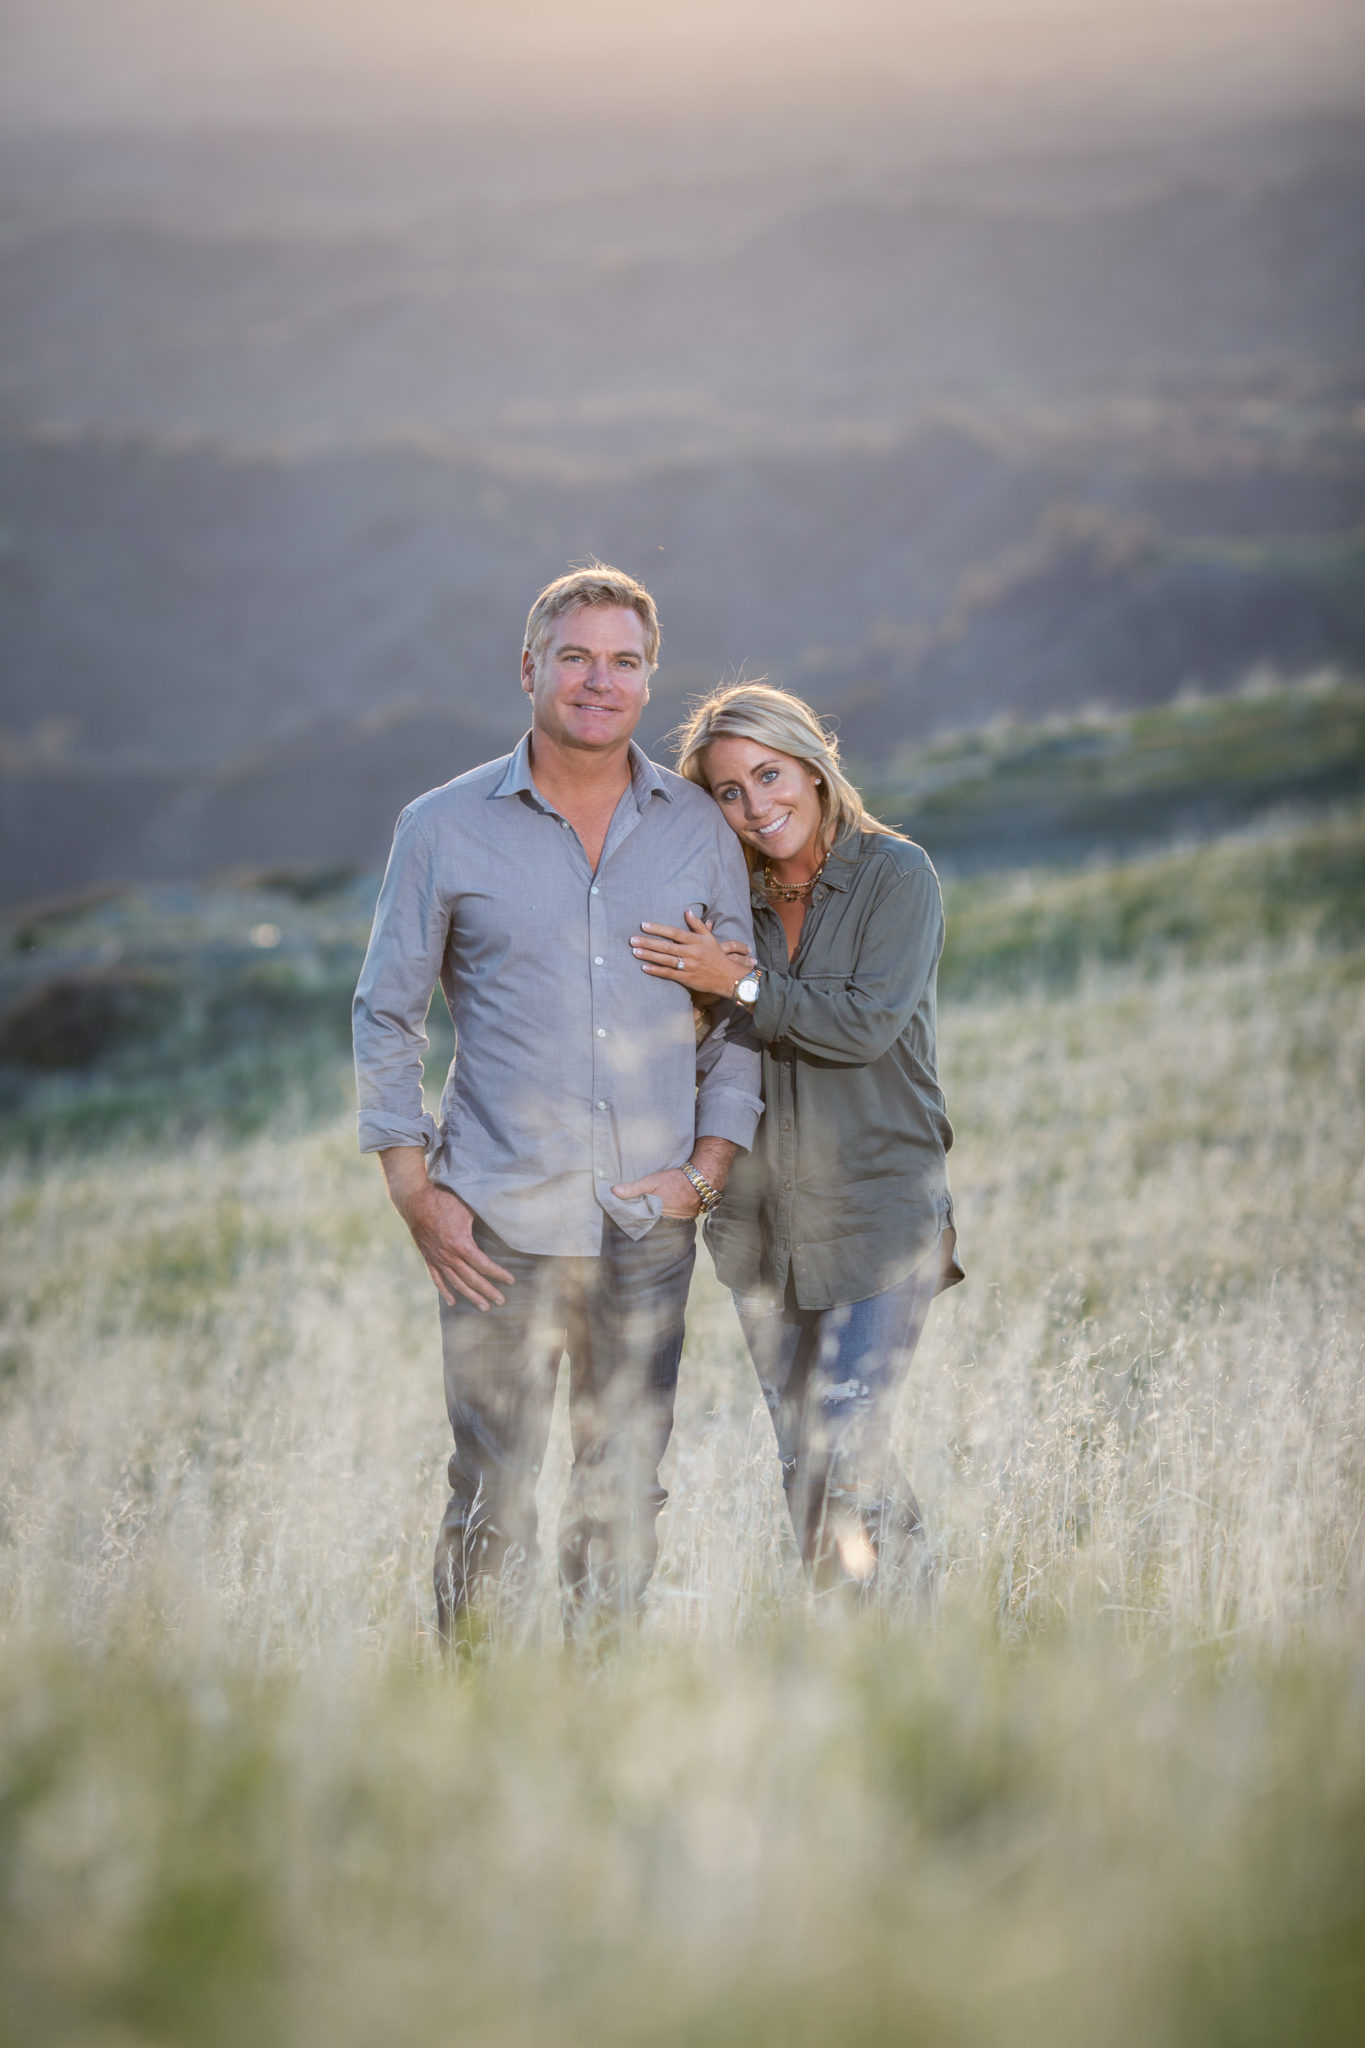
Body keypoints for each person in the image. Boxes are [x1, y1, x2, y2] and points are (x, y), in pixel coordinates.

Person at [352, 567, 761, 1645]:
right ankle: (475, 1724)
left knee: (624, 1485)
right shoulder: (441, 827)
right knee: (490, 1491)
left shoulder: (697, 831)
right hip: (496, 1224)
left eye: (624, 660)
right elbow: (385, 1011)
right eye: (575, 656)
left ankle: (596, 1721)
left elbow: (738, 1020)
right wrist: (413, 1187)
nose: (599, 679)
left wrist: (706, 1170)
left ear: (648, 679)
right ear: (529, 667)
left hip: (647, 1225)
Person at [629, 682, 963, 1598]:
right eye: (728, 792)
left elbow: (860, 1028)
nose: (754, 805)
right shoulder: (725, 898)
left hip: (879, 1215)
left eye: (768, 775)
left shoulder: (898, 876)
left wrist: (733, 986)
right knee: (806, 1470)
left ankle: (918, 1615)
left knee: (849, 1447)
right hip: (758, 1230)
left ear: (813, 767)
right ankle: (864, 1643)